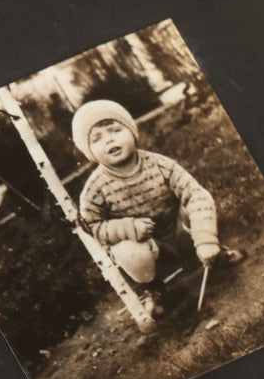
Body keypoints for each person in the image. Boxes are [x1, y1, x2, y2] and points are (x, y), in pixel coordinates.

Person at [73, 99, 243, 316]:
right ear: (89, 151)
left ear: (132, 131)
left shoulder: (161, 165)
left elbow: (196, 194)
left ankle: (211, 255)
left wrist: (205, 240)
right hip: (149, 248)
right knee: (127, 251)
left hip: (179, 231)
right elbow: (92, 227)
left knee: (195, 202)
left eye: (115, 130)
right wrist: (129, 228)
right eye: (97, 138)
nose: (109, 140)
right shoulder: (95, 189)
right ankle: (154, 289)